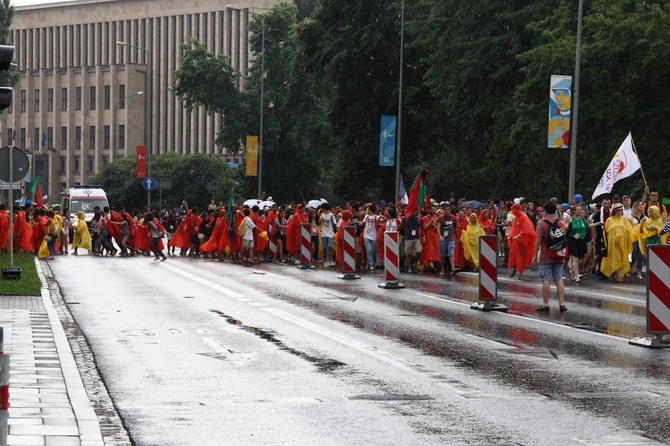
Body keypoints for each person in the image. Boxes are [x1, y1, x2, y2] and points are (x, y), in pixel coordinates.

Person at [534, 201, 568, 313]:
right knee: (559, 279)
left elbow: (538, 239)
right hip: (559, 255)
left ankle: (545, 304)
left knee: (546, 279)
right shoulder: (560, 223)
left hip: (546, 255)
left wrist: (535, 254)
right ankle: (562, 304)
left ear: (545, 211)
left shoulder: (542, 223)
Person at [600, 202, 634, 282]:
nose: (621, 211)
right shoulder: (609, 220)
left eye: (622, 210)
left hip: (622, 244)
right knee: (616, 258)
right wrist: (605, 243)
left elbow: (629, 230)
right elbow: (605, 232)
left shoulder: (624, 219)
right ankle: (619, 276)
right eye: (620, 210)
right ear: (616, 211)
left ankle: (614, 274)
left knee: (620, 258)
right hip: (612, 244)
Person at [507, 203, 536, 280]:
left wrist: (519, 235)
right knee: (514, 255)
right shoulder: (516, 218)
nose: (512, 212)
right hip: (516, 241)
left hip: (524, 241)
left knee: (522, 257)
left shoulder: (524, 217)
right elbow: (514, 228)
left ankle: (520, 272)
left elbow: (528, 229)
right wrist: (510, 235)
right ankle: (515, 268)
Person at [399, 207, 422, 273]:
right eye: (413, 211)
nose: (414, 213)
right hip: (408, 237)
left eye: (415, 211)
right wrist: (396, 231)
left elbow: (421, 227)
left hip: (416, 237)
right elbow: (401, 226)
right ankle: (409, 266)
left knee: (419, 251)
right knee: (408, 254)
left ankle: (414, 263)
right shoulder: (406, 218)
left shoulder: (418, 219)